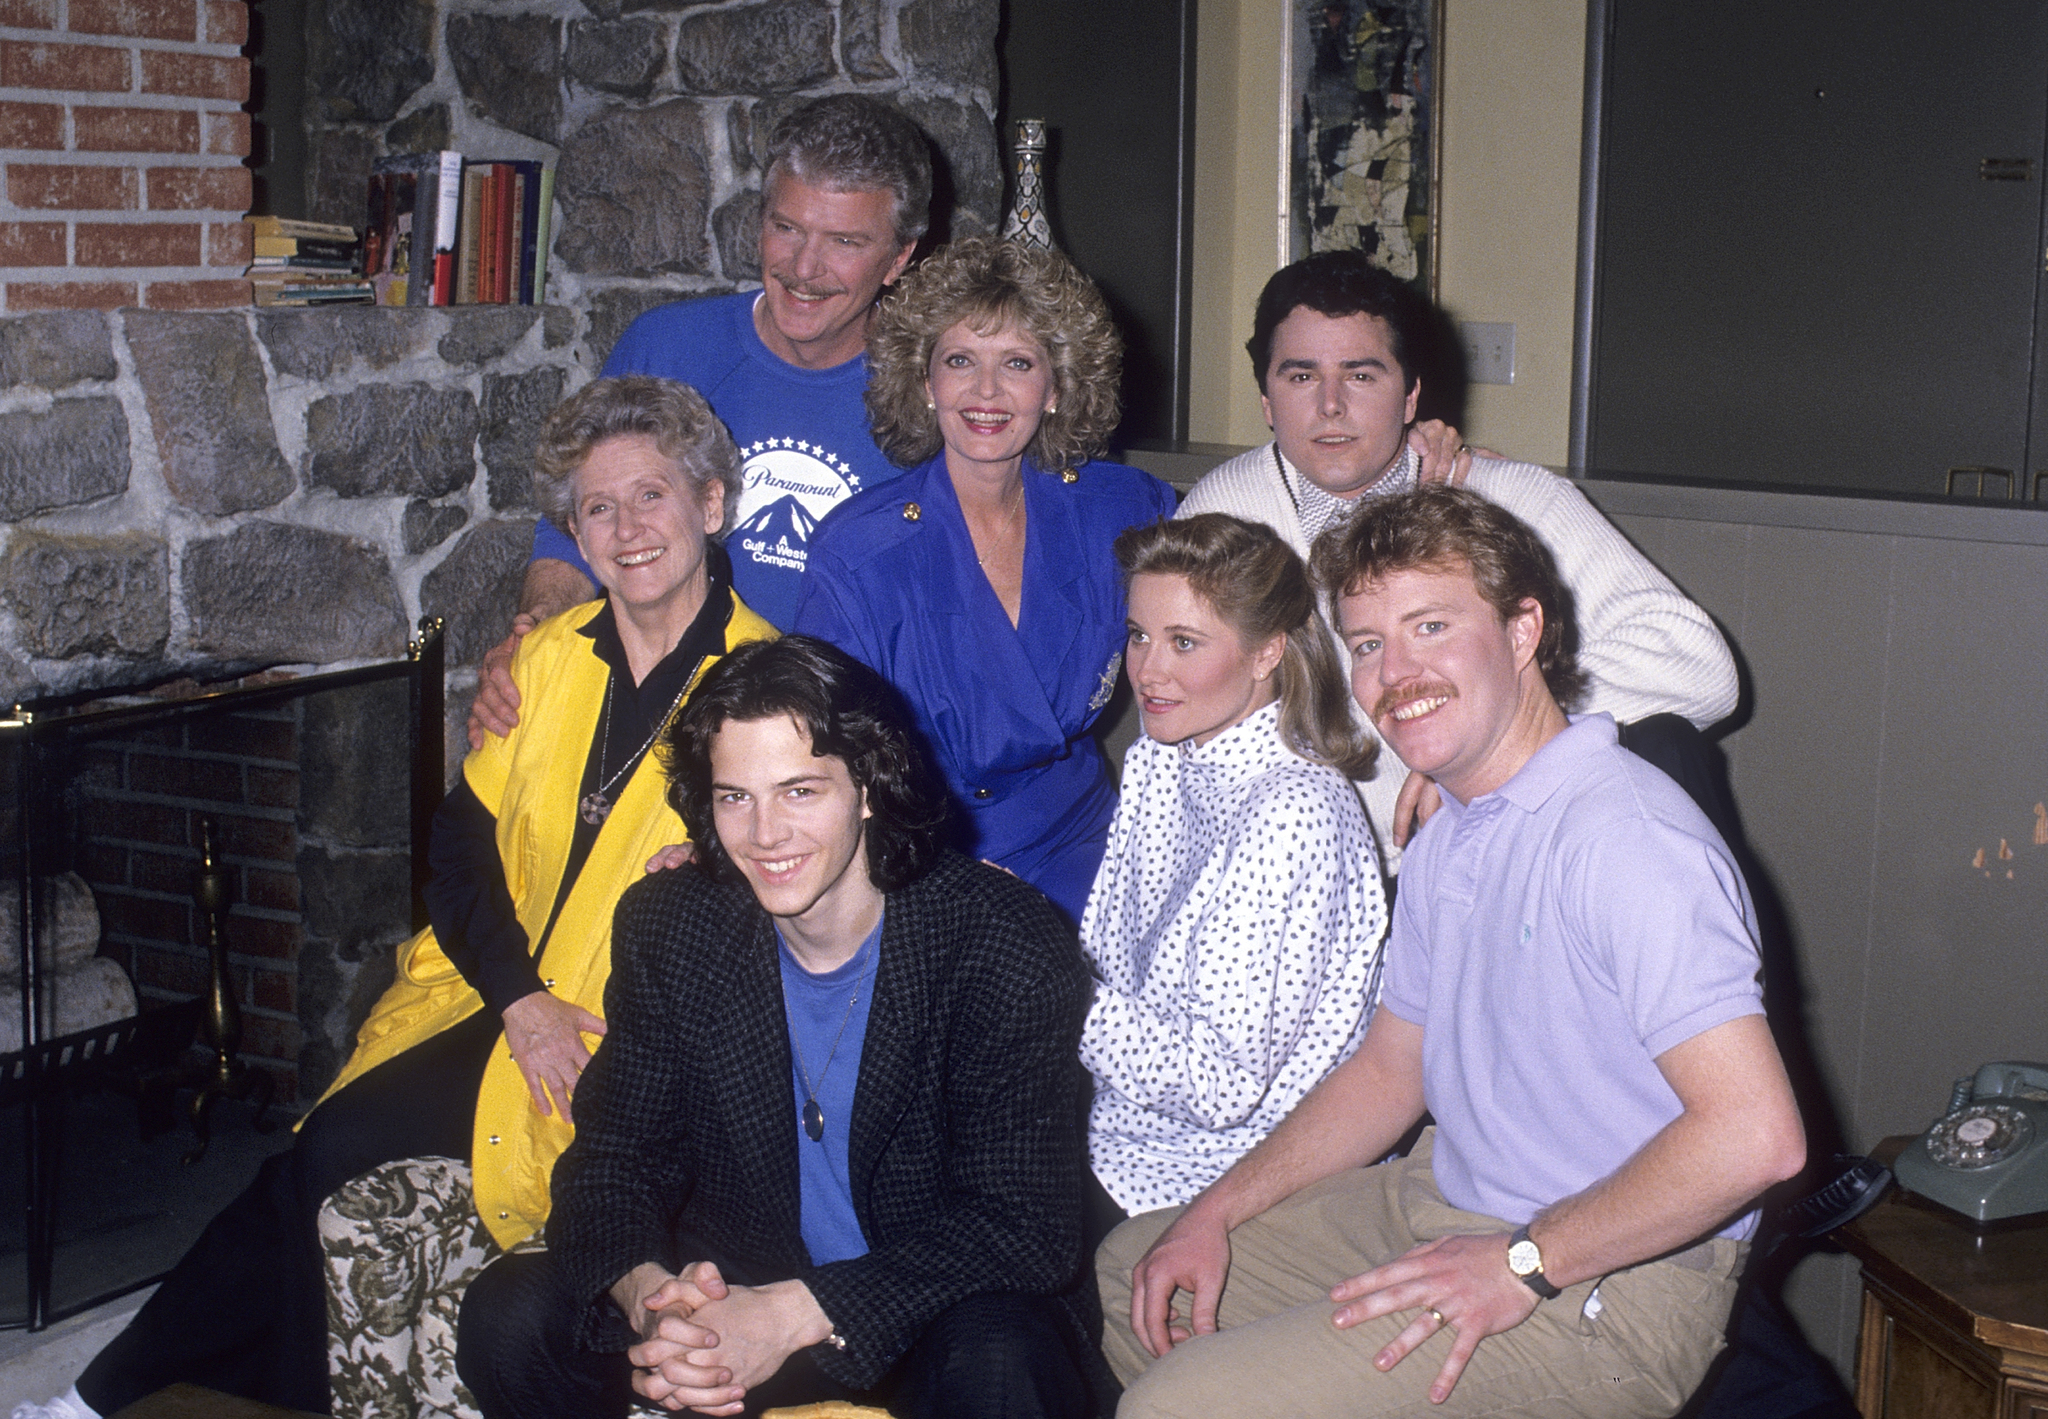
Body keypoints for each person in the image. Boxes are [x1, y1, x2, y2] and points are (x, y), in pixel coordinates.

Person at [10, 377, 774, 1419]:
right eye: (598, 507)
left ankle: (101, 1396)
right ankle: (125, 1394)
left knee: (321, 1158)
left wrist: (720, 885)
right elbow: (458, 846)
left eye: (651, 495)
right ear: (575, 532)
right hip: (505, 1004)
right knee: (321, 1150)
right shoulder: (552, 657)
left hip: (628, 1045)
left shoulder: (767, 684)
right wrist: (517, 998)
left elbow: (797, 897)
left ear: (712, 504)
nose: (627, 528)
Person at [1097, 485, 1806, 1418]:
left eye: (1431, 625)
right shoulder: (1451, 821)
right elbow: (1392, 1070)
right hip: (1446, 1195)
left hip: (1611, 1282)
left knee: (1179, 1405)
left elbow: (1757, 1138)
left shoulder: (1624, 841)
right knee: (1139, 1274)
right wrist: (1214, 1211)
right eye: (1366, 643)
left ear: (1522, 632)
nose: (1398, 670)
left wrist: (1525, 1262)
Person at [454, 636, 1102, 1419]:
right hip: (739, 1281)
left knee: (1003, 1359)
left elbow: (1022, 1224)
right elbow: (614, 1158)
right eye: (735, 797)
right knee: (509, 1316)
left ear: (868, 784)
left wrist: (793, 1312)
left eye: (800, 791)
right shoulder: (674, 924)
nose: (766, 835)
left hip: (928, 1303)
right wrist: (653, 1296)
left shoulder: (1002, 940)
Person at [1179, 250, 1740, 871]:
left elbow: (1702, 670)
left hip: (1511, 842)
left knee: (1665, 749)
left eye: (1362, 376)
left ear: (1412, 394)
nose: (1331, 405)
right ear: (1265, 399)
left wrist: (1493, 749)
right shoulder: (1223, 518)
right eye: (1301, 376)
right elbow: (1196, 728)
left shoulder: (1505, 495)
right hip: (1308, 871)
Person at [468, 93, 931, 748]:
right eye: (787, 227)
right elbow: (573, 521)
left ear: (898, 258)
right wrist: (534, 632)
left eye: (846, 242)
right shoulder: (665, 348)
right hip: (650, 717)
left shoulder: (938, 391)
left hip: (834, 739)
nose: (804, 268)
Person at [790, 235, 1177, 926]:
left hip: (1086, 847)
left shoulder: (1121, 508)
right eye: (960, 360)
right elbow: (824, 754)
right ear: (924, 380)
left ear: (1056, 388)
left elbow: (1252, 586)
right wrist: (934, 870)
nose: (987, 392)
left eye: (1018, 363)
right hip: (919, 858)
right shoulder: (857, 550)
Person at [1079, 514, 1386, 1227]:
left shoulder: (1292, 812)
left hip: (1208, 1180)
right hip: (1115, 1131)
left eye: (1184, 642)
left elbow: (1218, 1087)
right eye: (1138, 635)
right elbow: (1114, 969)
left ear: (1265, 653)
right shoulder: (1161, 757)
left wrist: (1054, 989)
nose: (1148, 670)